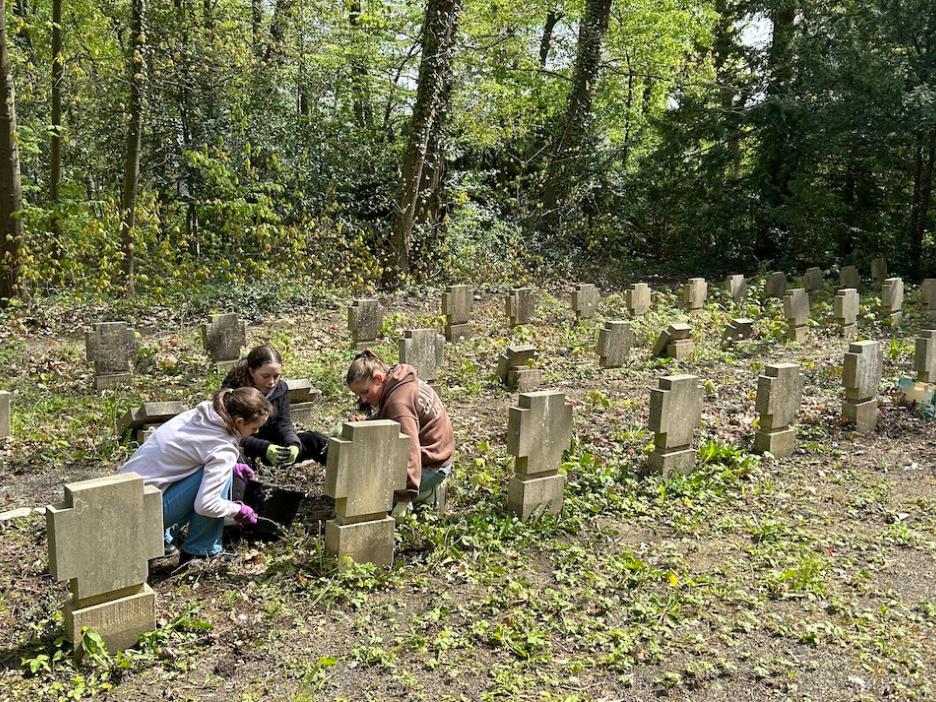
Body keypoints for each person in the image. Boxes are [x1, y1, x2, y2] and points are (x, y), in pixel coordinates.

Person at [120, 387, 271, 564]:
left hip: (125, 498)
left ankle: (166, 535)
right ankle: (201, 550)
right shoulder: (223, 448)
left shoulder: (204, 414)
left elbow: (191, 456)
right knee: (215, 485)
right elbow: (206, 505)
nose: (257, 433)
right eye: (254, 428)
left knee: (221, 473)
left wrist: (231, 468)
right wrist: (238, 510)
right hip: (141, 515)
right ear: (239, 421)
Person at [345, 350, 454, 522]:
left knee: (372, 493)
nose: (363, 400)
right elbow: (390, 419)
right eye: (358, 395)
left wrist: (404, 496)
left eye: (365, 392)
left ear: (378, 378)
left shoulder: (398, 402)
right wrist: (361, 424)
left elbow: (408, 448)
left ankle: (427, 494)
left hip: (432, 466)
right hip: (433, 456)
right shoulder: (398, 383)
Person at [222, 345, 329, 468]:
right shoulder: (233, 393)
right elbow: (231, 433)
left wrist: (293, 444)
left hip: (275, 447)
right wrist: (264, 448)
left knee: (316, 440)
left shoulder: (280, 389)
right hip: (247, 448)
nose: (272, 382)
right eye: (265, 376)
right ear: (251, 371)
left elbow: (283, 423)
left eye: (276, 376)